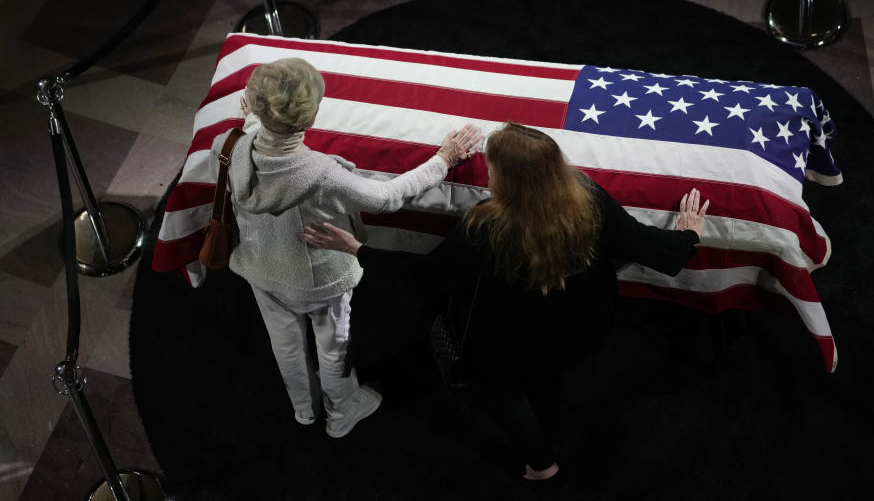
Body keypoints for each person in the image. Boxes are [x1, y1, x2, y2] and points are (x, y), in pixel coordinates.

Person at [300, 121, 708, 477]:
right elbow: (656, 251)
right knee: (548, 374)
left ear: (507, 180)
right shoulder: (587, 195)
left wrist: (357, 248)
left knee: (503, 392)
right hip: (584, 327)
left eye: (491, 166)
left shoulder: (487, 224)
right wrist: (688, 234)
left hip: (510, 347)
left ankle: (540, 465)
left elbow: (426, 280)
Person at [210, 57, 480, 438]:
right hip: (318, 279)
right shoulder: (321, 173)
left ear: (255, 106)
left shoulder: (226, 146)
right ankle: (343, 411)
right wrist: (443, 160)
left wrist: (254, 120)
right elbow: (386, 197)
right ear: (309, 119)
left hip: (259, 267)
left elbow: (256, 150)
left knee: (284, 345)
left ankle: (304, 410)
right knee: (333, 345)